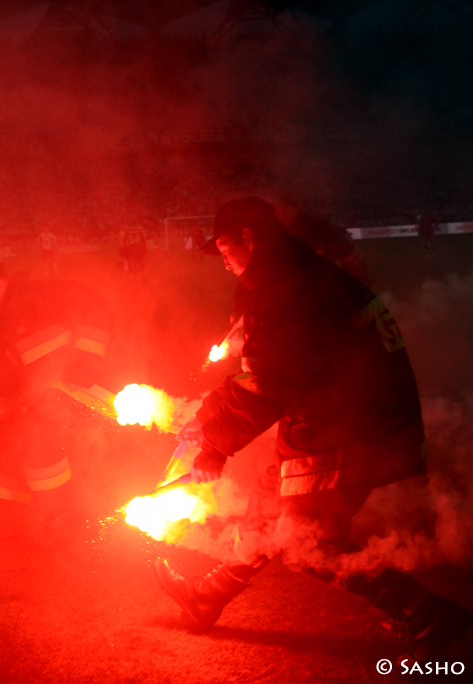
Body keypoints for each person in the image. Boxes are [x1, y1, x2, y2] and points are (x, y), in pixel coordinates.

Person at [155, 198, 472, 662]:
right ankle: (207, 597)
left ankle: (426, 612)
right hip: (350, 417)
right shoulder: (292, 272)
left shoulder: (282, 286)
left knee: (307, 543)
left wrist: (216, 449)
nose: (222, 262)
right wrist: (206, 415)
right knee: (268, 507)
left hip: (347, 427)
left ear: (249, 237)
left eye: (224, 248)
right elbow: (260, 371)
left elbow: (268, 384)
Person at [0, 259, 113, 542]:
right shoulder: (7, 330)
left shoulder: (40, 295)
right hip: (52, 402)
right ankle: (4, 527)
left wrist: (87, 360)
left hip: (90, 395)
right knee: (13, 435)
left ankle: (59, 524)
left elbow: (97, 307)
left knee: (35, 433)